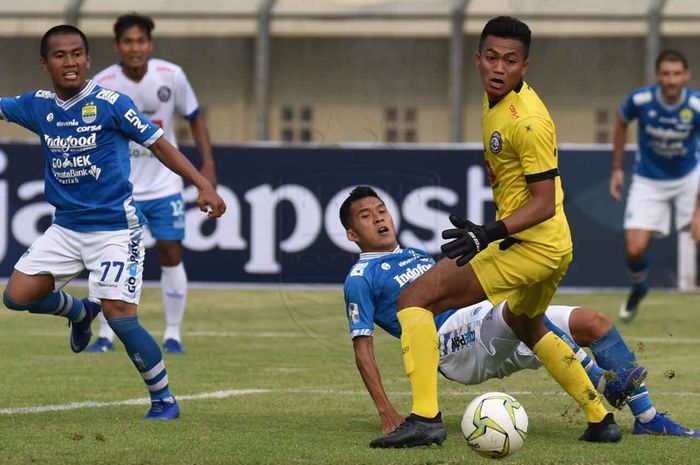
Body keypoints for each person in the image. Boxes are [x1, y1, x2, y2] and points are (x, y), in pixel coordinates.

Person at [369, 16, 620, 448]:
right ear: (478, 59)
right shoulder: (494, 102)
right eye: (491, 58)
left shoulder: (528, 122)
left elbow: (542, 202)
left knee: (414, 298)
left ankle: (426, 417)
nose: (498, 68)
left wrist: (488, 233)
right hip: (554, 246)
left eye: (510, 60)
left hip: (532, 246)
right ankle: (601, 419)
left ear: (525, 66)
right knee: (527, 324)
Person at [341, 186, 699, 440]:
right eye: (366, 216)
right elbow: (363, 348)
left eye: (381, 210)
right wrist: (386, 411)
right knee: (521, 311)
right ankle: (604, 386)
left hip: (486, 319)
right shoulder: (361, 277)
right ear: (352, 233)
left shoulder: (417, 254)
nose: (379, 218)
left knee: (595, 323)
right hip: (454, 346)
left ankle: (648, 418)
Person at [0, 25, 225, 419]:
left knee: (121, 317)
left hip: (115, 231)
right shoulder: (37, 106)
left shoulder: (110, 102)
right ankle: (79, 313)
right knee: (16, 297)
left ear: (88, 60)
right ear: (44, 63)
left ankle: (164, 399)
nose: (69, 62)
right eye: (59, 55)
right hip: (66, 229)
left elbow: (159, 145)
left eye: (76, 54)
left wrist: (202, 184)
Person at [87, 13, 217, 354]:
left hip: (164, 186)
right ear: (117, 46)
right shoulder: (103, 82)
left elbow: (195, 117)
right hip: (119, 187)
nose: (135, 48)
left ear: (150, 44)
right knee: (109, 259)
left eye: (140, 41)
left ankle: (173, 333)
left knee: (171, 252)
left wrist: (208, 165)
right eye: (127, 42)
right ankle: (105, 335)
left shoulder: (171, 76)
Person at [610, 49, 700, 323]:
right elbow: (621, 120)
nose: (671, 80)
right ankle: (639, 286)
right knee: (634, 249)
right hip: (648, 179)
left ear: (686, 75)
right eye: (666, 74)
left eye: (676, 74)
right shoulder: (641, 99)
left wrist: (698, 211)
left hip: (688, 177)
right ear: (657, 75)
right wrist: (616, 168)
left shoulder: (696, 106)